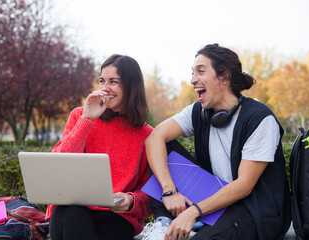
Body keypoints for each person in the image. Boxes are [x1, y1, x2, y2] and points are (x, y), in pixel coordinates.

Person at [143, 44, 291, 240]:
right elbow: (154, 138)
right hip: (213, 199)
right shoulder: (199, 111)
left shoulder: (260, 119)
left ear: (224, 76)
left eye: (200, 71)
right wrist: (169, 190)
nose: (192, 80)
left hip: (253, 210)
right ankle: (164, 225)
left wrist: (193, 212)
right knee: (162, 146)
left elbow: (244, 185)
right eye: (192, 72)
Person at [46, 54, 153, 240]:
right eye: (102, 81)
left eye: (113, 82)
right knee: (73, 213)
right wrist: (86, 119)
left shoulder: (147, 134)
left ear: (131, 86)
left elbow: (149, 195)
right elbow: (60, 162)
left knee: (111, 227)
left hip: (116, 216)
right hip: (70, 211)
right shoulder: (81, 116)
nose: (105, 88)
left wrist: (131, 201)